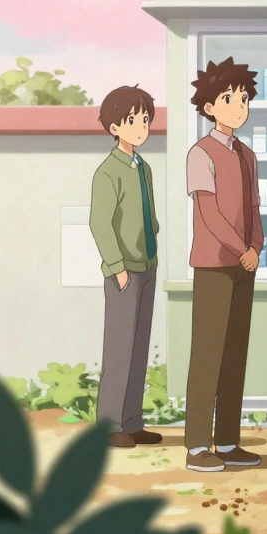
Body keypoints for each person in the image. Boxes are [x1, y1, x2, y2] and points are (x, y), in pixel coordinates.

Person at [184, 57, 264, 473]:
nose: (239, 106)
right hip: (214, 265)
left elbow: (253, 207)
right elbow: (209, 214)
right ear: (209, 107)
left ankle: (229, 441)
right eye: (229, 98)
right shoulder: (201, 153)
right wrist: (241, 248)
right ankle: (198, 444)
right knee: (208, 354)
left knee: (235, 354)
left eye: (244, 99)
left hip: (243, 265)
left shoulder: (247, 155)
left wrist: (257, 244)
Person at [88, 85, 163, 449]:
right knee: (119, 349)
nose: (140, 127)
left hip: (147, 264)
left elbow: (148, 214)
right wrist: (115, 266)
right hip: (123, 271)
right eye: (132, 120)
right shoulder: (108, 172)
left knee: (139, 347)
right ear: (114, 126)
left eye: (145, 119)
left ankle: (132, 421)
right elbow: (100, 224)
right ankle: (109, 424)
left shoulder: (143, 167)